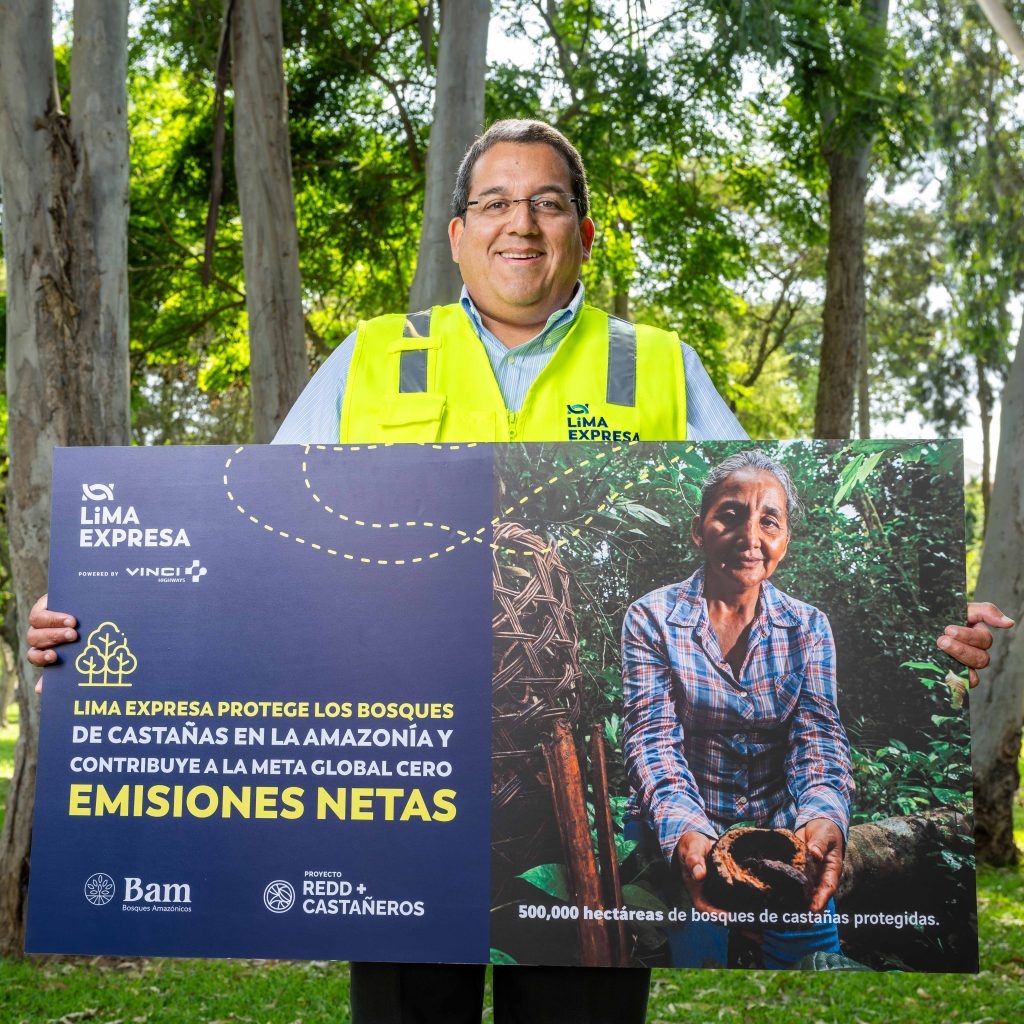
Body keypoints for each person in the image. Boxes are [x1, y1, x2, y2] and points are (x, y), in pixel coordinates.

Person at [27, 120, 1014, 1021]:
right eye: (495, 202)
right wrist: (105, 607)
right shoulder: (373, 360)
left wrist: (942, 625)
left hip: (558, 783)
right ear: (458, 235)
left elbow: (755, 524)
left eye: (547, 202)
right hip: (397, 779)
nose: (522, 223)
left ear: (584, 234)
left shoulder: (657, 368)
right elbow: (256, 549)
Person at [622, 450, 851, 969]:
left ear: (785, 540)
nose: (750, 537)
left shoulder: (808, 627)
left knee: (813, 963)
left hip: (779, 829)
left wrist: (823, 815)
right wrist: (686, 830)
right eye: (730, 515)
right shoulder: (651, 618)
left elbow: (819, 737)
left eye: (769, 521)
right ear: (698, 530)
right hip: (683, 819)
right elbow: (652, 738)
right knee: (694, 965)